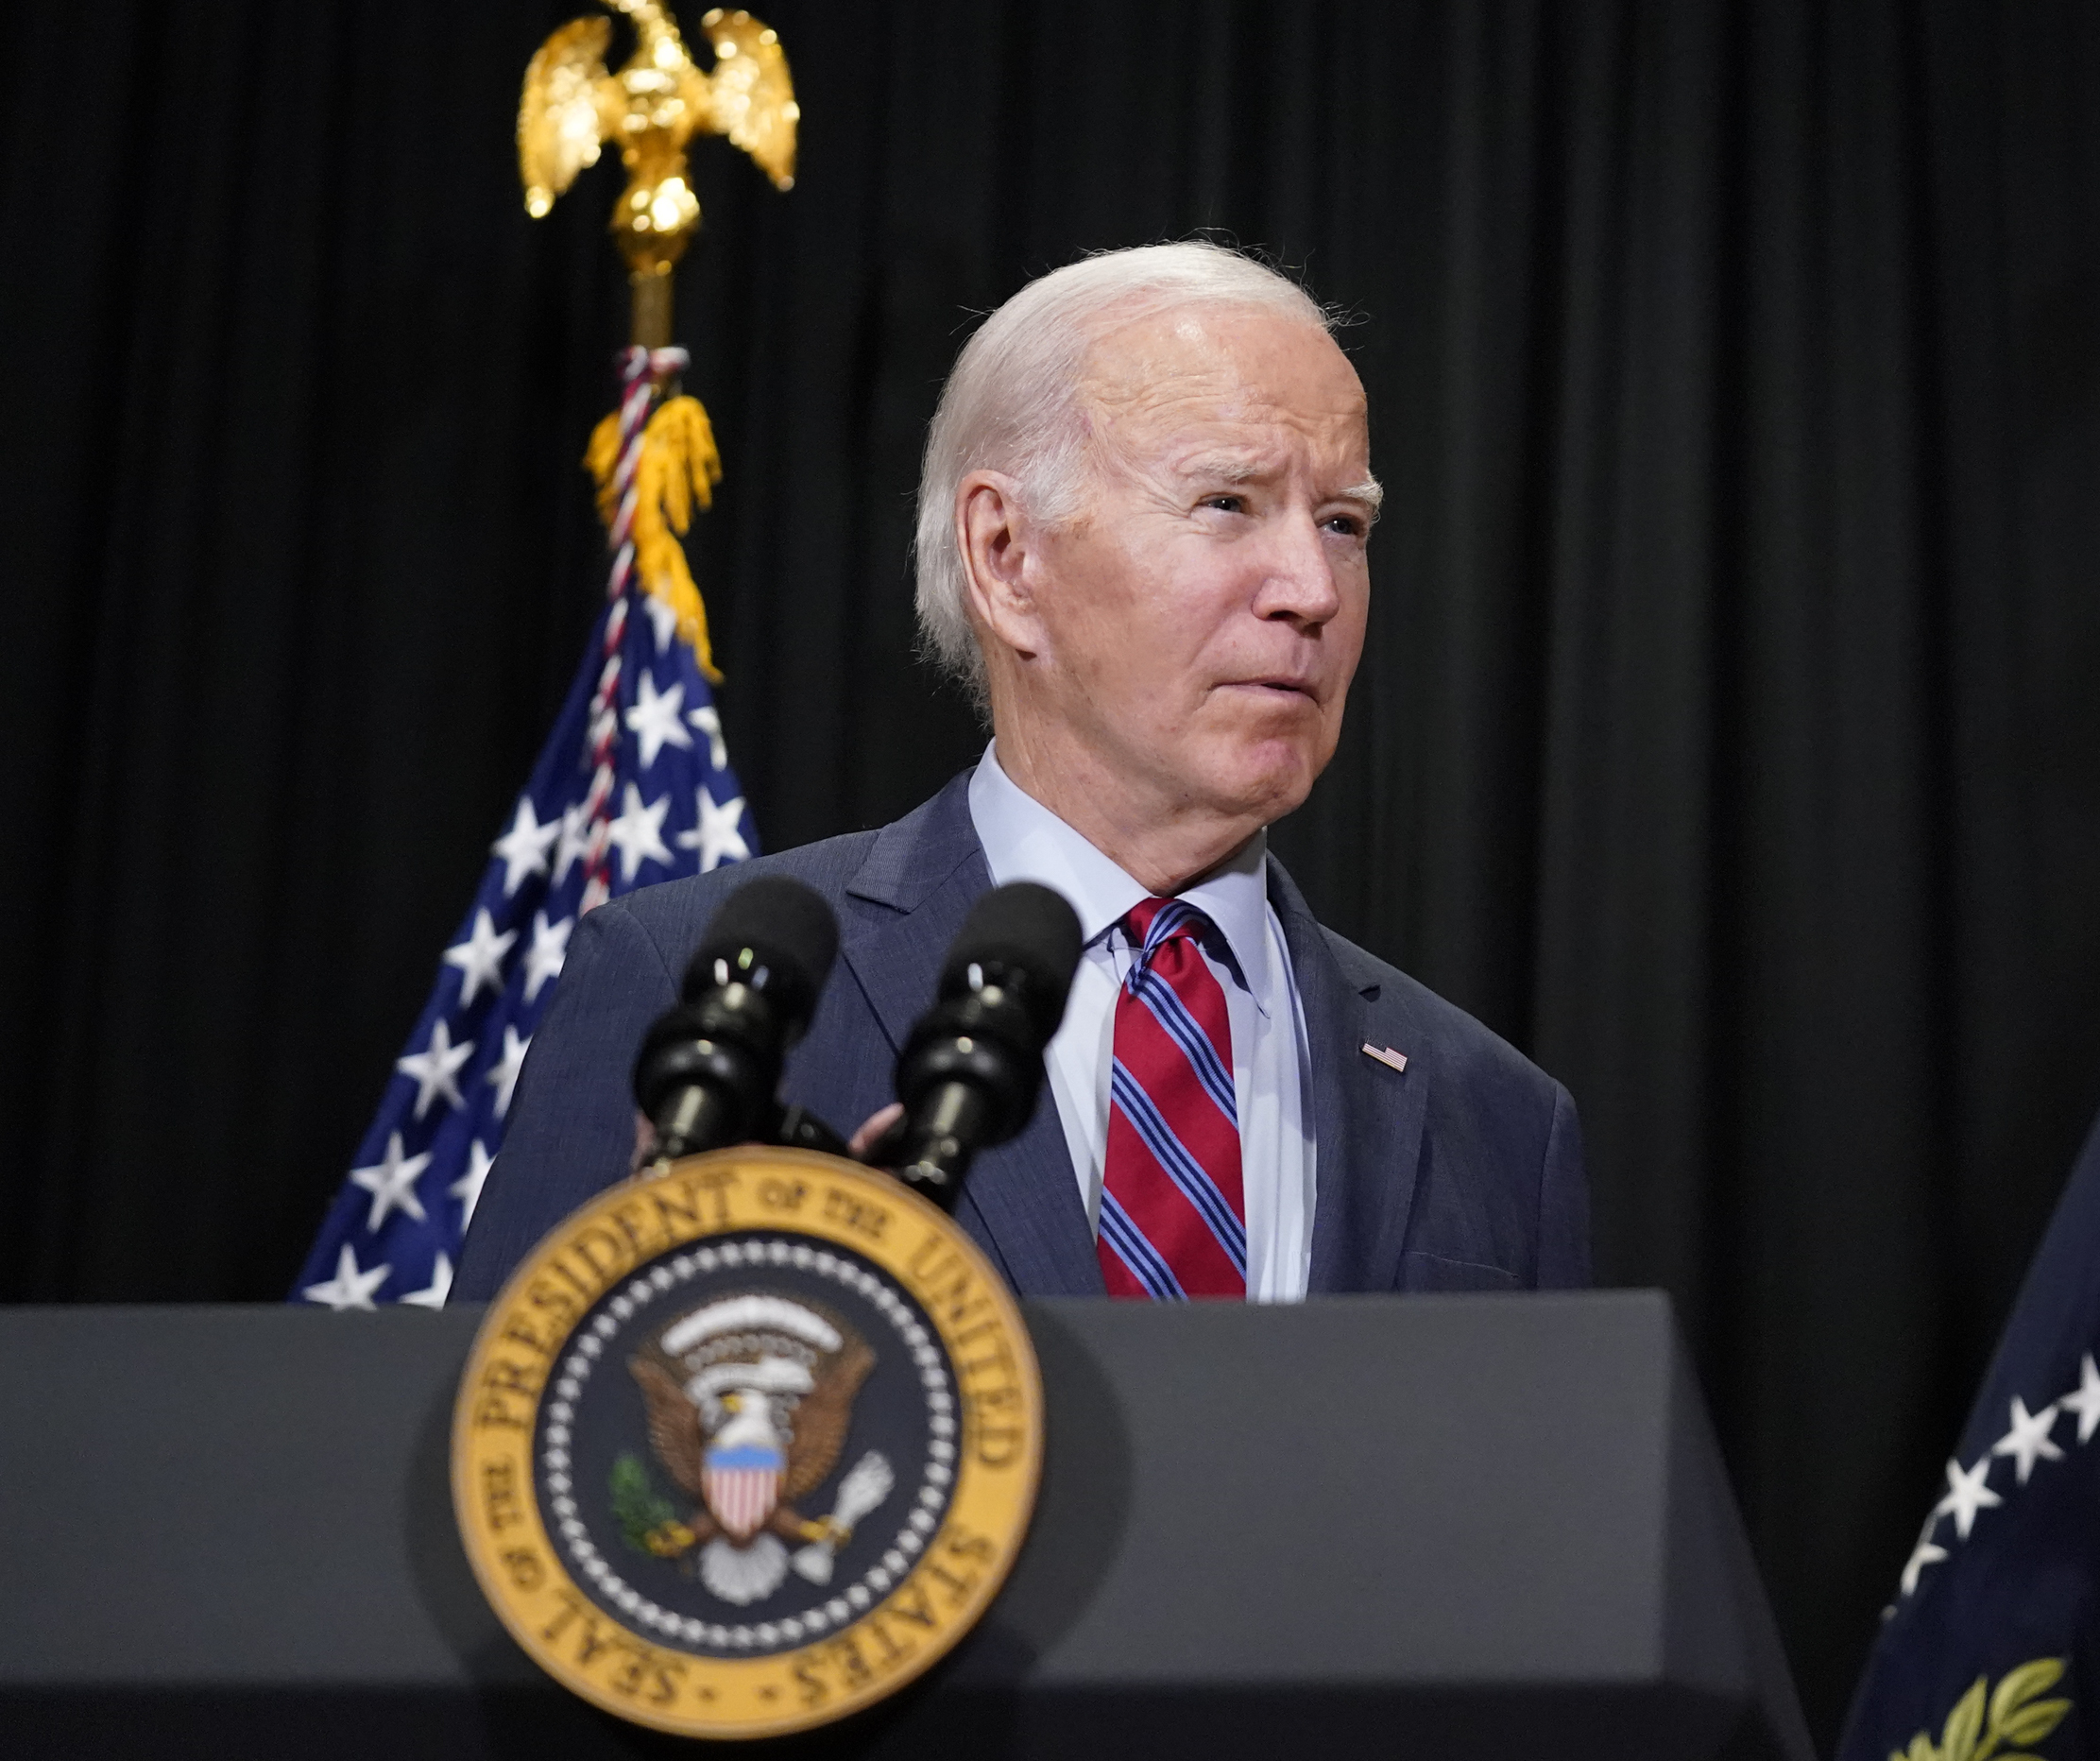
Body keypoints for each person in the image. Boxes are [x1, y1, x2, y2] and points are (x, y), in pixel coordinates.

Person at [457, 242, 1590, 1301]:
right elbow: (515, 1461)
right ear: (1006, 557)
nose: (1314, 587)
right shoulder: (688, 985)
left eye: (1344, 522)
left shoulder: (1494, 1114)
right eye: (1228, 503)